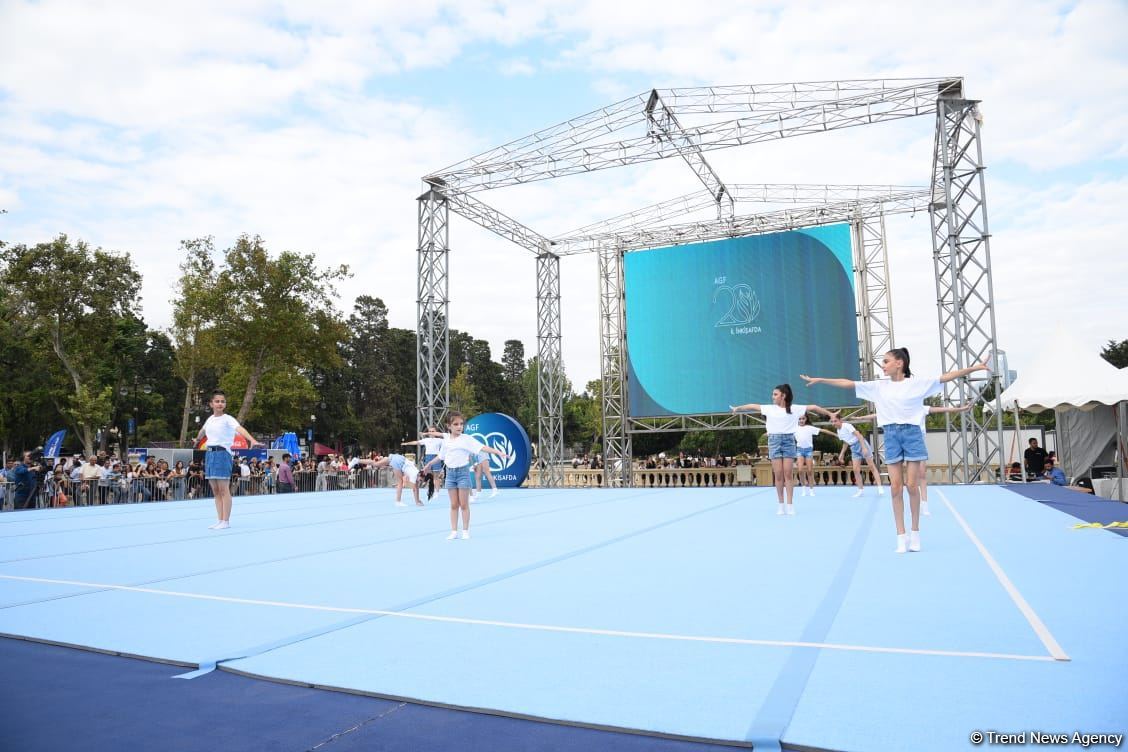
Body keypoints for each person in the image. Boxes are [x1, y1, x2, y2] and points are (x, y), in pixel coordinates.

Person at [802, 349, 989, 553]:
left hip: (912, 435)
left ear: (899, 363)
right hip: (891, 435)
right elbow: (848, 383)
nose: (882, 365)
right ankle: (901, 536)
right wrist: (821, 380)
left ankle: (915, 531)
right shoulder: (878, 386)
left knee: (911, 485)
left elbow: (947, 376)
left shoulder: (917, 384)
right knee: (895, 488)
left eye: (886, 361)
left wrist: (976, 367)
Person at [731, 385, 837, 515]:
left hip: (788, 441)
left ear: (783, 395)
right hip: (774, 441)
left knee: (788, 474)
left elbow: (814, 407)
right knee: (779, 474)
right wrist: (738, 408)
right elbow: (753, 406)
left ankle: (790, 504)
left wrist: (830, 414)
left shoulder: (794, 409)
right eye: (773, 394)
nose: (772, 396)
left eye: (775, 394)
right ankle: (781, 504)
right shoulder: (769, 408)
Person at [422, 411, 507, 540]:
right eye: (455, 424)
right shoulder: (446, 441)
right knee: (453, 505)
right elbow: (441, 456)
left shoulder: (467, 439)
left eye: (461, 424)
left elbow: (482, 447)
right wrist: (429, 464)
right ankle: (454, 531)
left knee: (464, 504)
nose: (459, 426)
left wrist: (498, 452)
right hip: (450, 474)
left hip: (463, 474)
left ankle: (465, 530)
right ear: (448, 426)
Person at [194, 390, 263, 530]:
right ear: (211, 404)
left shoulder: (228, 419)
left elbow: (240, 429)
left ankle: (226, 521)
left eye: (222, 401)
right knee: (215, 490)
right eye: (217, 401)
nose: (220, 403)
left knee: (224, 489)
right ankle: (219, 519)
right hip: (210, 454)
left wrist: (252, 439)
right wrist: (197, 440)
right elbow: (202, 431)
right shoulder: (210, 419)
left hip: (222, 454)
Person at [830, 415, 883, 498]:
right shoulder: (838, 431)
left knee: (871, 466)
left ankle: (880, 487)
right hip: (853, 448)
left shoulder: (847, 426)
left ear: (840, 420)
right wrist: (841, 454)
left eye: (835, 421)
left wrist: (864, 448)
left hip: (861, 443)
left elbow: (859, 435)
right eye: (832, 422)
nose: (833, 423)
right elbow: (845, 443)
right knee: (855, 469)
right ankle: (860, 490)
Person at [358, 453, 423, 507]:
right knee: (400, 482)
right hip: (399, 462)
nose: (420, 481)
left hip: (396, 457)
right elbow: (414, 489)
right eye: (421, 480)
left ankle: (357, 460)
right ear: (420, 475)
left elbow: (415, 487)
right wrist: (417, 502)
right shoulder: (415, 475)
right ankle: (398, 501)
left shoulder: (416, 471)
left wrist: (418, 500)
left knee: (375, 464)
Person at [792, 414, 823, 497]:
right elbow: (782, 430)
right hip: (799, 450)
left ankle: (811, 490)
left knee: (809, 471)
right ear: (797, 420)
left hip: (809, 450)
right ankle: (803, 489)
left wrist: (834, 434)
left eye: (803, 419)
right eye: (800, 419)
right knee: (800, 470)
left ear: (806, 419)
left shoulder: (809, 428)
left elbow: (822, 430)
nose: (801, 420)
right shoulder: (794, 428)